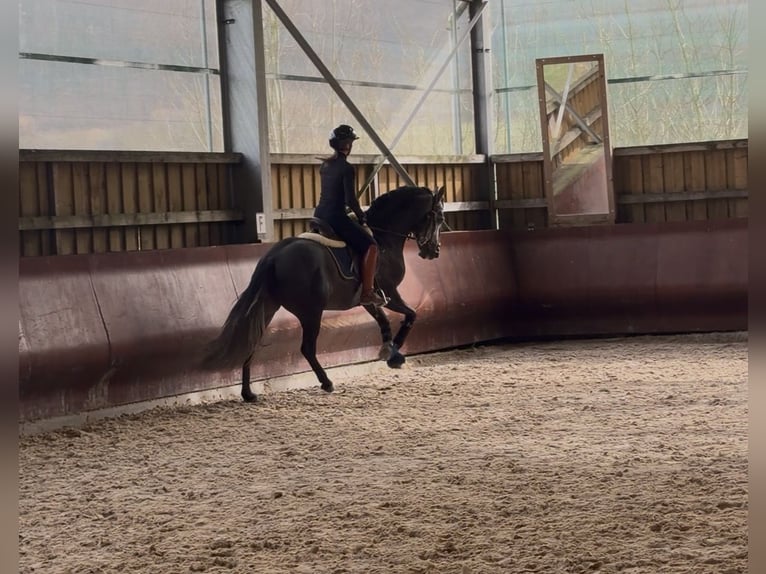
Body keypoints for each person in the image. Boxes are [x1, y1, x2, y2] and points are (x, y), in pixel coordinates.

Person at [314, 124, 385, 307]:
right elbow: (350, 200)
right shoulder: (346, 168)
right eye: (350, 142)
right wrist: (362, 217)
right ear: (347, 144)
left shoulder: (325, 165)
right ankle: (368, 292)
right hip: (335, 217)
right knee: (371, 246)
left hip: (319, 215)